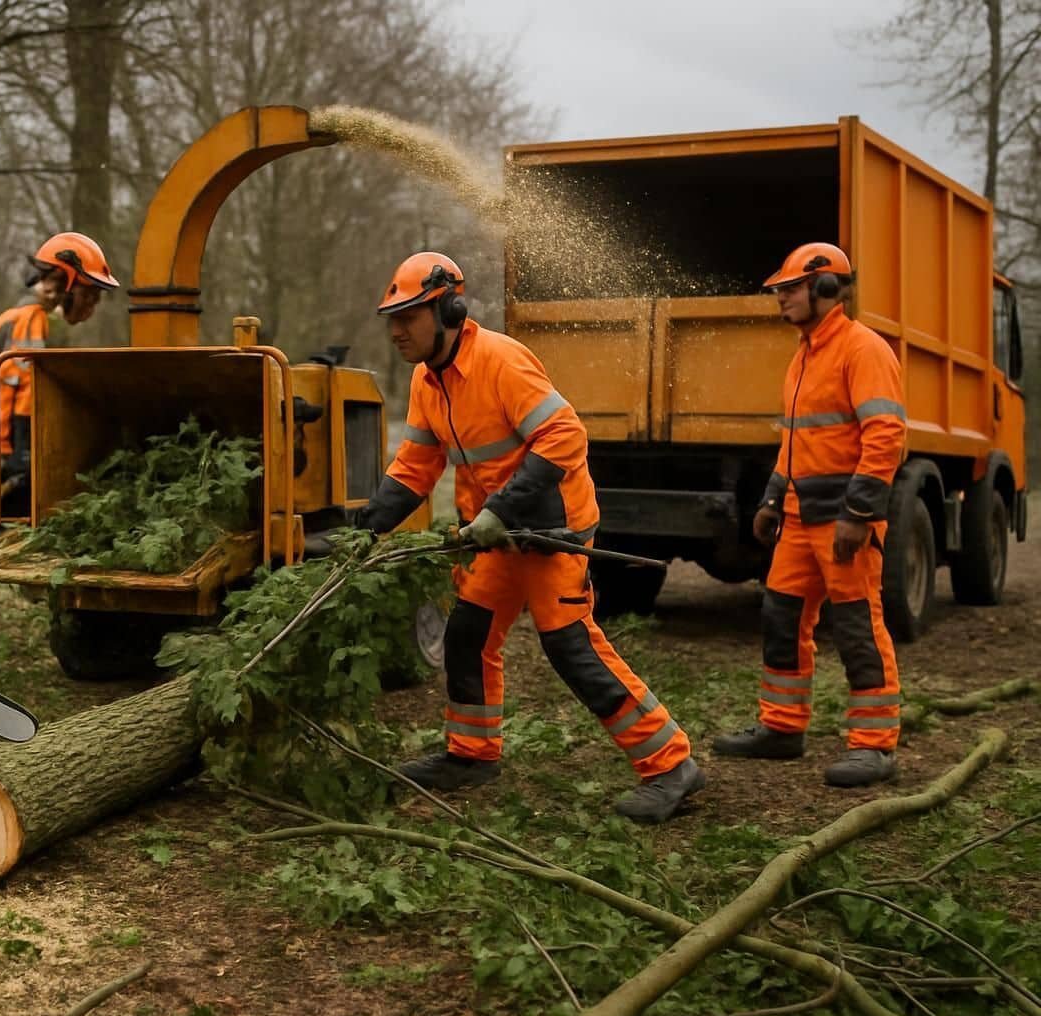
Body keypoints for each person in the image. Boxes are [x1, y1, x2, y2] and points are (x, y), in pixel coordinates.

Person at [356, 252, 704, 824]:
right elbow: (415, 466)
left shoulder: (499, 360)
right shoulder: (427, 380)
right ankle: (471, 755)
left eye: (409, 316)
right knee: (467, 635)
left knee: (571, 646)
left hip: (552, 527)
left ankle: (670, 765)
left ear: (448, 308)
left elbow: (564, 435)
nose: (396, 330)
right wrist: (367, 526)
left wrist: (503, 510)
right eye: (391, 319)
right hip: (495, 533)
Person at [713, 243, 905, 786]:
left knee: (856, 629)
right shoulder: (804, 354)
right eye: (778, 291)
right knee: (781, 618)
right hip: (798, 519)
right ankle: (782, 728)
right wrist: (773, 498)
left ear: (826, 288)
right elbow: (796, 441)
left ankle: (873, 746)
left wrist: (858, 513)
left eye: (790, 289)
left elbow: (885, 434)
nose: (781, 300)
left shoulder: (862, 349)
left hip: (842, 520)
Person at [0, 232, 118, 608]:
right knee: (42, 513)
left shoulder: (34, 319)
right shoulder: (30, 320)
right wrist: (24, 456)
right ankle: (45, 594)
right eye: (89, 293)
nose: (92, 304)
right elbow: (24, 390)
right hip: (1, 440)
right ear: (65, 284)